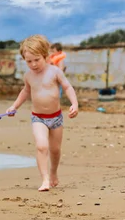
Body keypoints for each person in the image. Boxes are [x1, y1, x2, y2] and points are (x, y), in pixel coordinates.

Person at [6, 35, 78, 192]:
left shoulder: (55, 72)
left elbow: (67, 87)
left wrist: (74, 103)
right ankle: (44, 179)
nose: (33, 64)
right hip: (38, 118)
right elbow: (25, 92)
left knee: (55, 150)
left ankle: (53, 173)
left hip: (56, 117)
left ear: (45, 56)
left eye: (36, 60)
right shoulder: (28, 76)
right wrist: (14, 106)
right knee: (41, 146)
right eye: (28, 61)